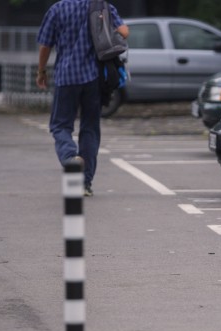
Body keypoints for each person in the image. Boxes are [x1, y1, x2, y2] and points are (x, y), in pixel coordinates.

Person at [36, 0, 129, 197]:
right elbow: (124, 31)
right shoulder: (102, 6)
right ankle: (85, 183)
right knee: (90, 128)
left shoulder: (57, 9)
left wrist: (41, 71)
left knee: (60, 126)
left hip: (66, 77)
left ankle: (70, 158)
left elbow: (45, 44)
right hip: (94, 77)